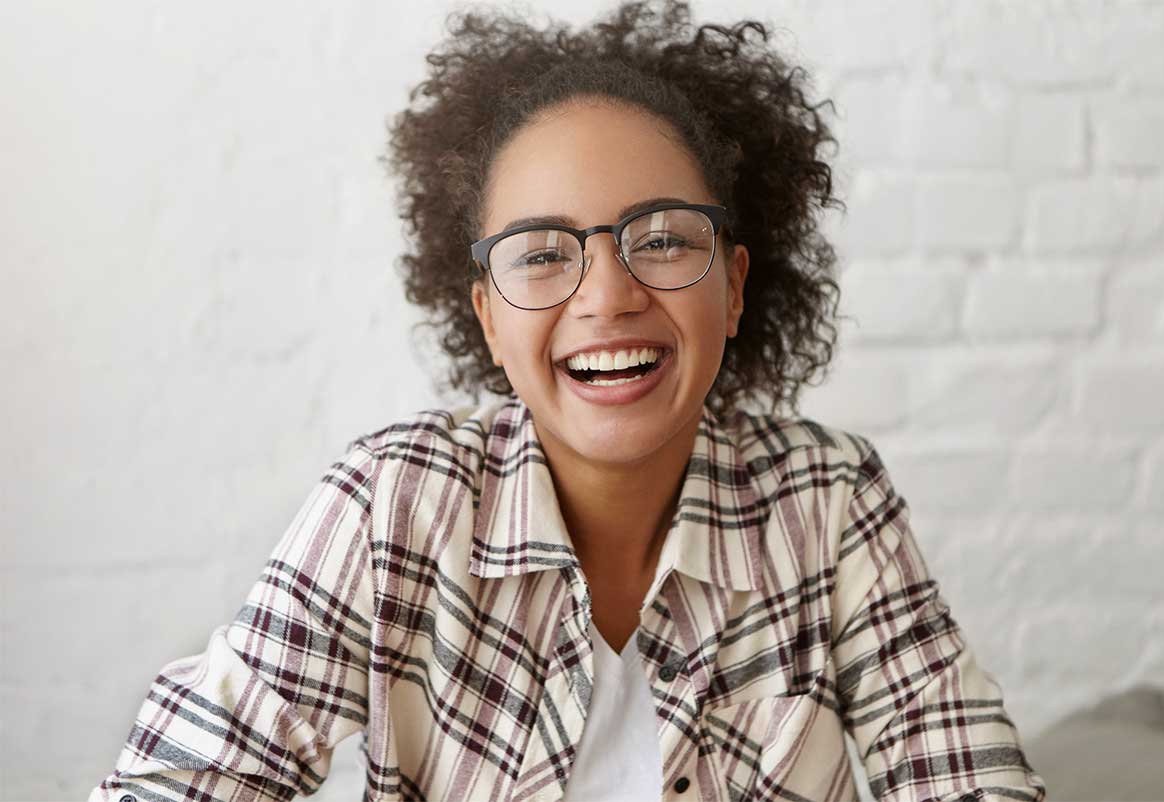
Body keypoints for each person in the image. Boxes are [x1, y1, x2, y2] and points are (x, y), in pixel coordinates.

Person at [89, 1, 1047, 800]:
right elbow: (194, 771)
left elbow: (962, 769)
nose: (607, 294)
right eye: (544, 255)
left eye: (664, 240)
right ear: (488, 321)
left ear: (736, 284)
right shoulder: (393, 504)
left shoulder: (829, 500)